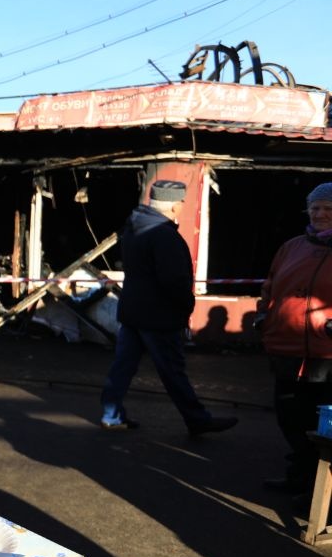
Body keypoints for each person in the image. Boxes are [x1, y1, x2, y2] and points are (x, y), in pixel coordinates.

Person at [98, 179, 236, 435]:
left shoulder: (134, 228)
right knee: (172, 370)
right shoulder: (163, 235)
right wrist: (187, 305)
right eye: (182, 203)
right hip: (159, 316)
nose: (183, 206)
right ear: (173, 206)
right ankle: (197, 419)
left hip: (132, 311)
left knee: (122, 366)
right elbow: (174, 281)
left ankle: (111, 414)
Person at [255, 181, 332, 498]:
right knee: (289, 417)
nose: (320, 214)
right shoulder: (292, 246)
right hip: (285, 347)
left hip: (326, 353)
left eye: (328, 209)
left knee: (322, 425)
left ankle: (318, 490)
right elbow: (270, 286)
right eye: (315, 207)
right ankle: (298, 475)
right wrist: (264, 314)